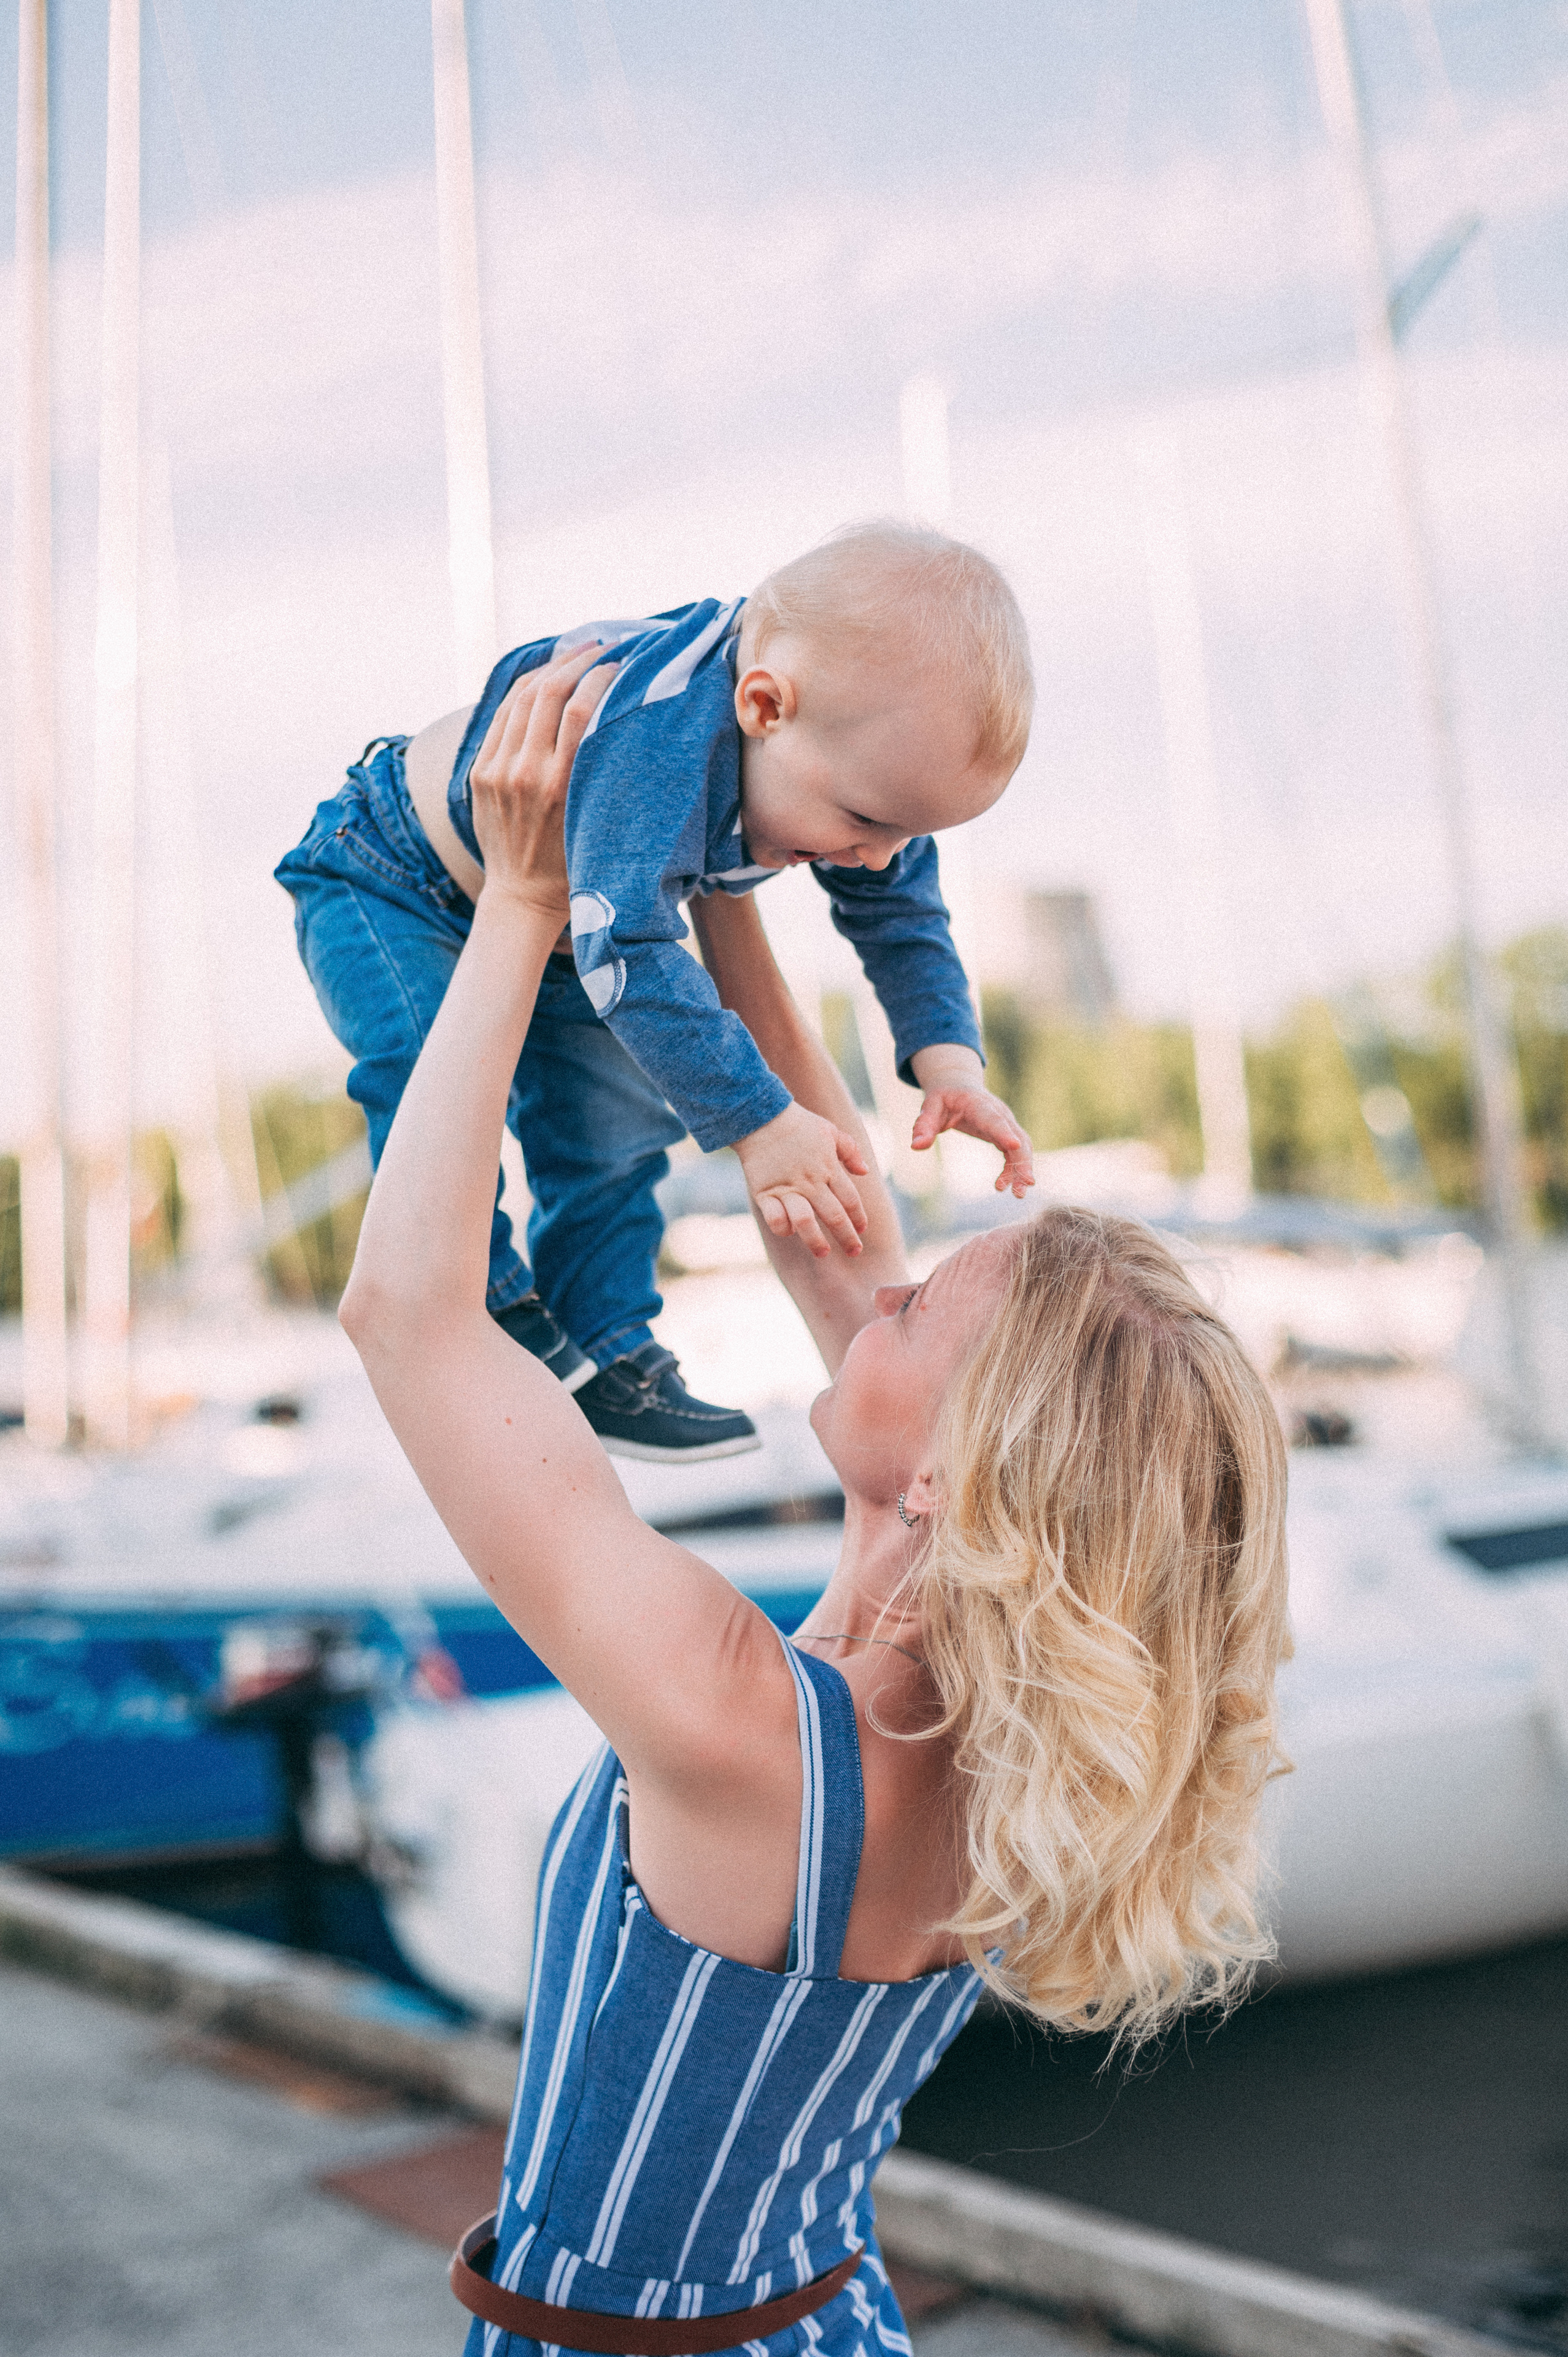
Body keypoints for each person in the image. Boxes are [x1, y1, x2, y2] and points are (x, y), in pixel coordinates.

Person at [338, 650, 1292, 2357]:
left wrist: (530, 906)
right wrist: (710, 855)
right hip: (823, 2316)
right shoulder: (1015, 1734)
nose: (880, 1280)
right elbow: (827, 1202)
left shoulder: (742, 1729)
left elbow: (411, 1315)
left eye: (916, 1309)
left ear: (952, 1478)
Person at [277, 522, 1036, 1464]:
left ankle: (609, 1343)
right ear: (764, 705)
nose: (877, 857)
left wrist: (950, 1063)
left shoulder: (860, 773)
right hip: (390, 874)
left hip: (575, 923)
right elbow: (632, 947)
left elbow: (902, 914)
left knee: (616, 1123)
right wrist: (761, 1124)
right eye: (865, 823)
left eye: (907, 835)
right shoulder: (660, 742)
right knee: (426, 1075)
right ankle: (485, 1303)